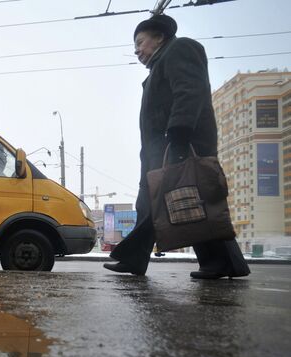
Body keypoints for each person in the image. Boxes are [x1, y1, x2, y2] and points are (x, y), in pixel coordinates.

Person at [103, 14, 250, 279]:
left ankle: (220, 262)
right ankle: (134, 259)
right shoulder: (157, 68)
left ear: (159, 37)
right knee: (149, 205)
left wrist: (180, 136)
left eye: (140, 42)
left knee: (194, 203)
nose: (136, 50)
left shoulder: (180, 48)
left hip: (180, 146)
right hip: (158, 153)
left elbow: (190, 91)